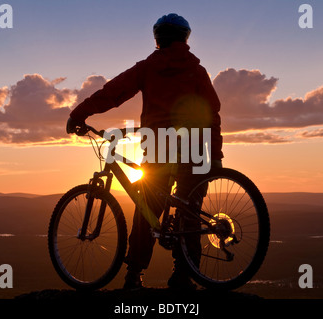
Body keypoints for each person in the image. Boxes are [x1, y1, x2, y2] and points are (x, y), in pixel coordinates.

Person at [67, 13, 223, 290]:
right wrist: (216, 154)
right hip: (196, 146)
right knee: (190, 211)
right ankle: (184, 276)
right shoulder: (196, 71)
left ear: (158, 38)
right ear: (185, 38)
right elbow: (212, 111)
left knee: (147, 209)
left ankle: (134, 275)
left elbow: (113, 92)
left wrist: (79, 113)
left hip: (158, 144)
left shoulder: (148, 68)